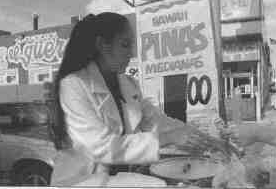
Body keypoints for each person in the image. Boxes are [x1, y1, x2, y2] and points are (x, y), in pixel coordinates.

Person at [49, 13, 222, 187]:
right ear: (102, 45)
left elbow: (157, 121)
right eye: (125, 45)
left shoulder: (128, 84)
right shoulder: (74, 84)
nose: (131, 53)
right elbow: (101, 147)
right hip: (81, 181)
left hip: (117, 177)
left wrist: (201, 138)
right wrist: (168, 138)